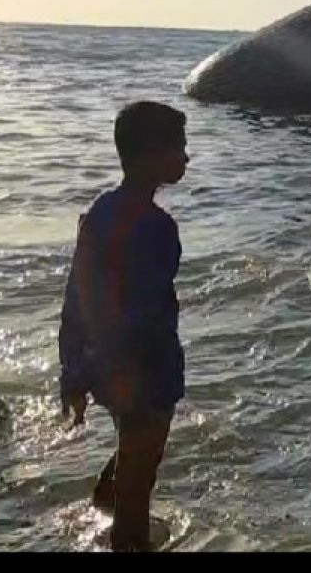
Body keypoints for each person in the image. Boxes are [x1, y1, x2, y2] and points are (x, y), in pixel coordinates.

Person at [58, 101, 189, 552]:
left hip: (103, 362)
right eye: (180, 148)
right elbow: (144, 310)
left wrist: (74, 371)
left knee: (133, 453)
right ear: (151, 155)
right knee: (141, 484)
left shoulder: (100, 212)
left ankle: (108, 495)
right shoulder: (156, 227)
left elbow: (78, 294)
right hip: (140, 367)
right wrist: (135, 370)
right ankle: (127, 537)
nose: (186, 158)